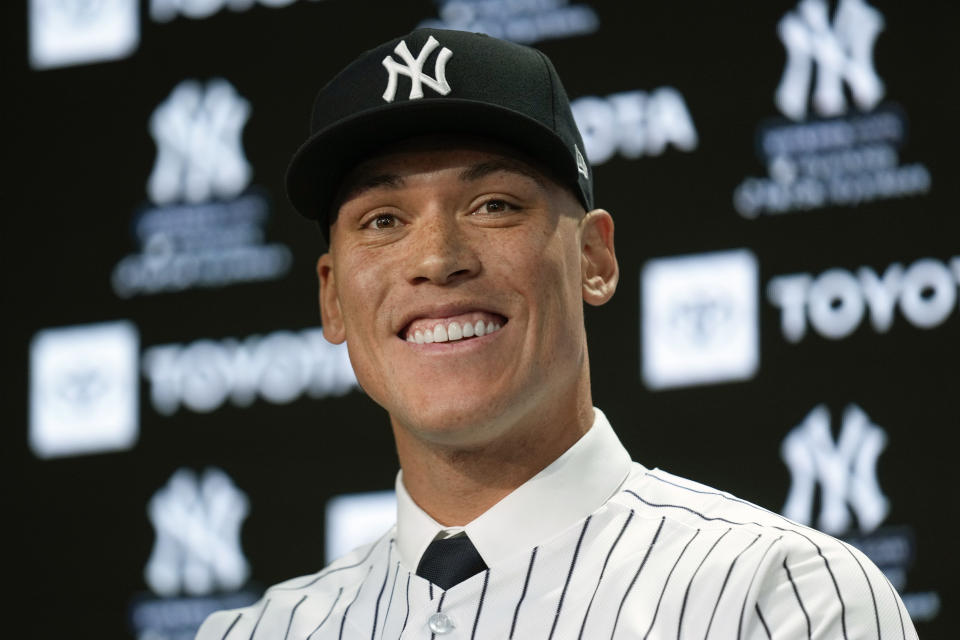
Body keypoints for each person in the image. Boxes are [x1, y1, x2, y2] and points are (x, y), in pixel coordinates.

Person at [196, 28, 917, 639]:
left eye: (493, 204)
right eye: (383, 220)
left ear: (594, 260)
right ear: (332, 299)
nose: (437, 259)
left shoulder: (778, 597)